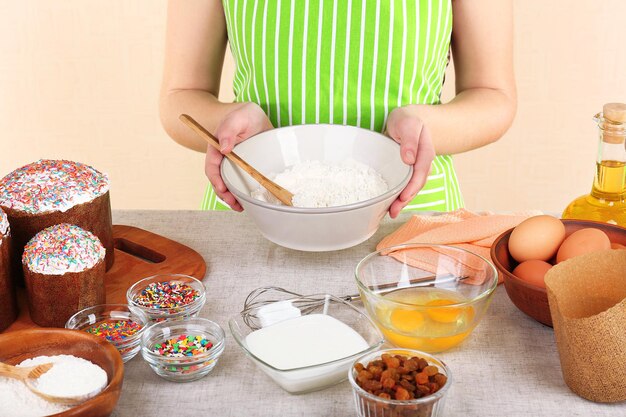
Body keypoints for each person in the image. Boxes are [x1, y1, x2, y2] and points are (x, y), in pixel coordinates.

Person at [160, 0, 516, 218]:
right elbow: (180, 95)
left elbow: (493, 94)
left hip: (410, 222)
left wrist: (423, 125)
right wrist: (228, 123)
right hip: (253, 212)